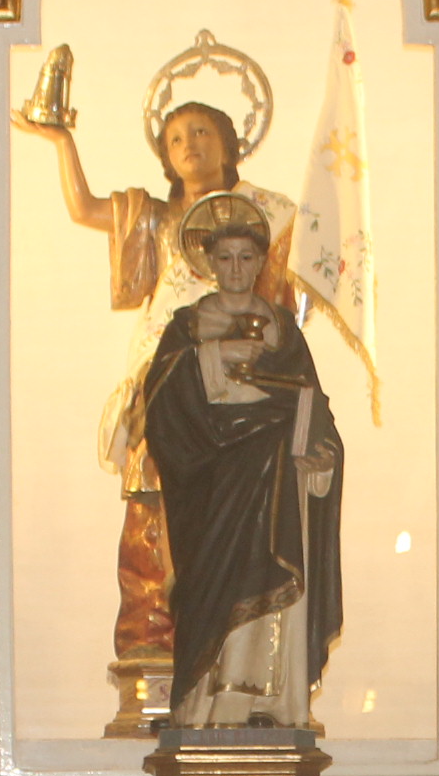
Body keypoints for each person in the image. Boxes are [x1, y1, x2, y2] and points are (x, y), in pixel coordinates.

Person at [21, 92, 300, 726]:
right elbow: (85, 207)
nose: (189, 146)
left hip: (234, 389)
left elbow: (287, 298)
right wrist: (61, 139)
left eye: (202, 132)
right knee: (152, 509)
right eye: (176, 138)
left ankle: (233, 639)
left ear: (229, 144)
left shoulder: (264, 218)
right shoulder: (154, 217)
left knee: (236, 512)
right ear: (166, 159)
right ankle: (153, 638)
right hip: (165, 383)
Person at [139, 192, 344, 729]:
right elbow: (159, 407)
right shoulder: (187, 328)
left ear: (259, 263)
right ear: (208, 262)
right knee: (211, 590)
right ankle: (209, 700)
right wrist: (214, 357)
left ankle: (269, 701)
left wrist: (321, 457)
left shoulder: (283, 331)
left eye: (246, 257)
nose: (235, 269)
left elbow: (315, 408)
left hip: (276, 485)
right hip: (211, 486)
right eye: (225, 257)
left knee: (275, 574)